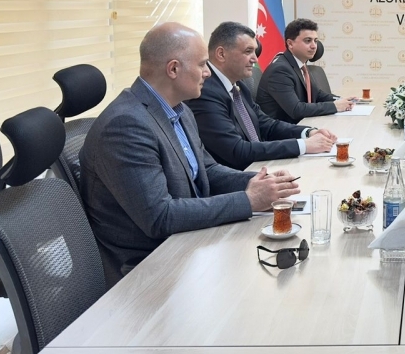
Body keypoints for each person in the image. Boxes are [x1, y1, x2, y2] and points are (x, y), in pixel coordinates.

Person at [79, 22, 300, 284]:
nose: (208, 72)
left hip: (187, 242)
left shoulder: (180, 110)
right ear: (173, 69)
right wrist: (249, 200)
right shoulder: (126, 125)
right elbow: (160, 216)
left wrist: (259, 183)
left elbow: (206, 170)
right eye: (202, 64)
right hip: (148, 269)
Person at [187, 21, 338, 170]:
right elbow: (236, 150)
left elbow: (266, 124)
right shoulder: (205, 92)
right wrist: (303, 145)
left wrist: (308, 132)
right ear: (221, 54)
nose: (255, 59)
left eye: (254, 51)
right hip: (240, 174)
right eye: (248, 51)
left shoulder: (238, 85)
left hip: (259, 165)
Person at [256, 18, 354, 121]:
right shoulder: (280, 70)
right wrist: (335, 106)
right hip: (283, 129)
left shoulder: (301, 65)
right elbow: (296, 110)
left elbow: (317, 94)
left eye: (315, 41)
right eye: (308, 41)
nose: (314, 46)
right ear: (290, 44)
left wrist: (341, 100)